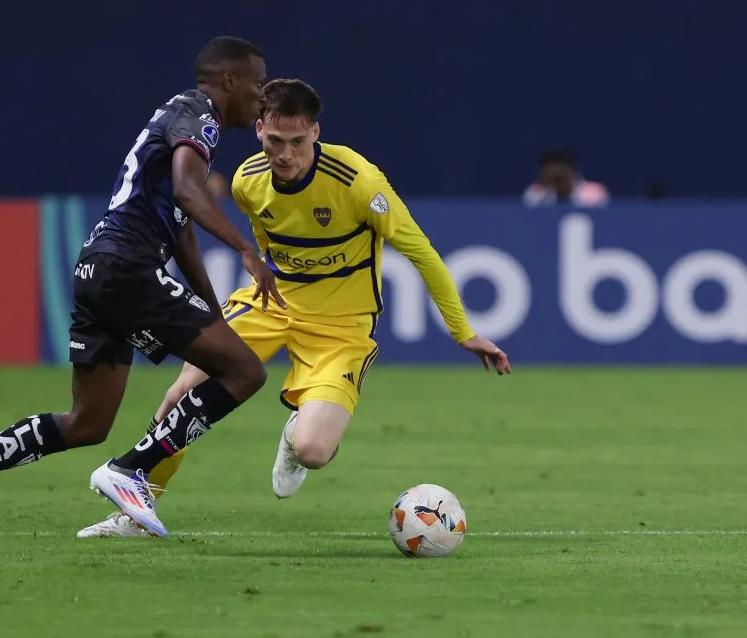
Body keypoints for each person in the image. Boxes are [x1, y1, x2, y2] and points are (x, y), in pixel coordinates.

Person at [77, 78, 511, 538]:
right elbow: (267, 244)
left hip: (341, 327)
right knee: (179, 394)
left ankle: (295, 432)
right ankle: (136, 512)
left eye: (298, 142)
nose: (285, 154)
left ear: (315, 133)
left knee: (313, 451)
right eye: (275, 141)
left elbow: (422, 254)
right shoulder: (247, 182)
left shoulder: (359, 183)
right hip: (271, 306)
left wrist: (462, 331)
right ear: (259, 130)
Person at [0, 36, 284, 546]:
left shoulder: (178, 117)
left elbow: (181, 224)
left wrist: (212, 311)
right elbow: (189, 191)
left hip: (97, 268)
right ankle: (131, 470)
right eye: (258, 83)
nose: (263, 95)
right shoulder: (199, 116)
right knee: (246, 372)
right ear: (229, 80)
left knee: (86, 423)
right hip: (128, 269)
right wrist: (245, 249)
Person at [521, 150, 608, 207]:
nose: (557, 176)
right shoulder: (534, 193)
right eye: (551, 173)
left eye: (561, 171)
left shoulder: (595, 192)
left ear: (571, 171)